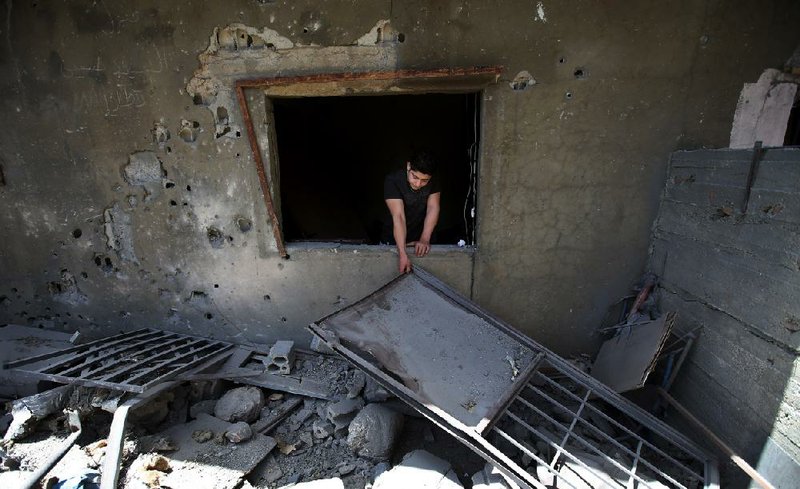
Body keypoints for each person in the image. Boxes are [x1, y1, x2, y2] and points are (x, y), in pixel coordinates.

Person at [382, 152, 441, 273]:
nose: (418, 184)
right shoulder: (393, 180)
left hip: (421, 242)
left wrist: (424, 239)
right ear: (408, 166)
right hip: (392, 240)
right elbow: (398, 216)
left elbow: (433, 208)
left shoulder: (434, 181)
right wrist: (402, 253)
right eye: (415, 177)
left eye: (425, 181)